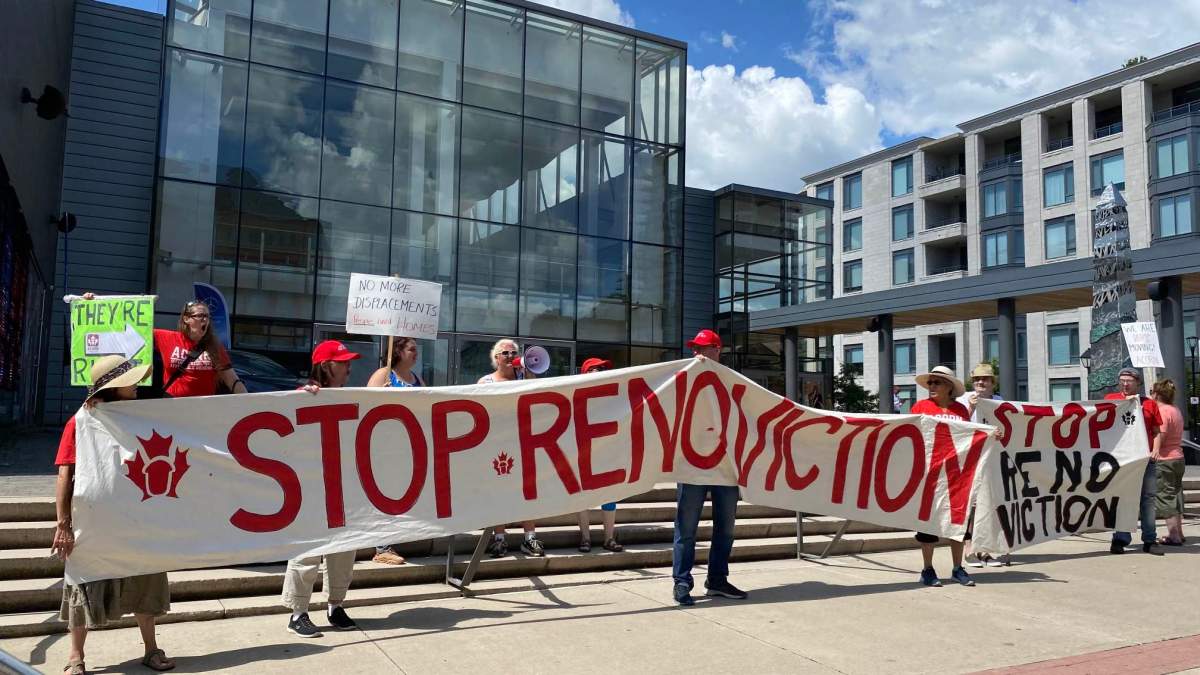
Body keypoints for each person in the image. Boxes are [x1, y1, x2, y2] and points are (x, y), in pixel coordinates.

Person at [53, 355, 175, 674]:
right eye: (131, 381)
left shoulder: (138, 418)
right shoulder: (80, 422)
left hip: (136, 520)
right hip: (94, 522)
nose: (137, 386)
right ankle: (75, 656)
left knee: (146, 579)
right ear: (114, 387)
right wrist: (63, 524)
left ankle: (150, 649)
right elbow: (65, 474)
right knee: (84, 582)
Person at [283, 340, 362, 638]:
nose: (349, 367)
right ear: (327, 365)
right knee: (308, 549)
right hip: (312, 486)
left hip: (344, 484)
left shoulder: (355, 397)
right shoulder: (303, 396)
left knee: (345, 548)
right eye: (343, 362)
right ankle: (298, 612)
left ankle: (335, 605)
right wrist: (301, 398)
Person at [672, 329, 746, 606]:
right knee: (686, 528)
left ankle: (717, 580)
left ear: (717, 351)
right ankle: (681, 582)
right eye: (695, 349)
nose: (697, 354)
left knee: (725, 528)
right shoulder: (683, 377)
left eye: (702, 349)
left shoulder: (732, 381)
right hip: (692, 465)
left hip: (725, 466)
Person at [79, 293, 247, 398]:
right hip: (170, 408)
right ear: (186, 319)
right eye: (200, 315)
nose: (205, 320)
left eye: (207, 316)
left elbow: (231, 379)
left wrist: (251, 403)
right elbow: (126, 329)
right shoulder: (165, 337)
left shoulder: (215, 348)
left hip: (201, 411)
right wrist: (95, 305)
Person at [911, 365, 976, 587]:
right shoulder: (920, 407)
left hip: (957, 476)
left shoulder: (961, 411)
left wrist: (990, 436)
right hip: (929, 475)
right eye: (930, 382)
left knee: (957, 523)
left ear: (949, 386)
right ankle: (927, 570)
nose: (931, 386)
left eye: (936, 382)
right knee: (928, 525)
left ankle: (958, 568)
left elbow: (970, 438)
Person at [479, 338, 544, 558]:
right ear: (496, 358)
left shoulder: (524, 377)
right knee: (498, 491)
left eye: (513, 352)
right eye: (505, 353)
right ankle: (499, 539)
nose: (510, 356)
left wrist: (528, 376)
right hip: (497, 444)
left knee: (527, 490)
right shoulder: (485, 382)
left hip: (522, 442)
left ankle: (530, 538)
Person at [365, 337, 425, 565]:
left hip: (406, 445)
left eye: (416, 350)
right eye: (411, 349)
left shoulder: (417, 379)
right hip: (384, 444)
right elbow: (366, 404)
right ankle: (381, 546)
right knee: (385, 493)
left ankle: (391, 539)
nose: (415, 353)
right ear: (398, 351)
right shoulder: (383, 374)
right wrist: (380, 395)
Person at [1105, 367, 1163, 555]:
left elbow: (1156, 431)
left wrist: (1155, 450)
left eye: (1129, 380)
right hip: (1122, 460)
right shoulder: (1110, 400)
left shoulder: (1149, 404)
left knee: (1147, 500)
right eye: (1122, 380)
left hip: (1145, 459)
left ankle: (1149, 539)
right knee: (1123, 499)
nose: (1125, 383)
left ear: (1138, 383)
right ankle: (1120, 539)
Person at [957, 363, 1005, 568]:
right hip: (971, 459)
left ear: (992, 382)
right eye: (977, 379)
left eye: (984, 379)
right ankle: (969, 548)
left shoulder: (1000, 402)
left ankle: (984, 548)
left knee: (989, 503)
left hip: (992, 460)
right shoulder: (963, 399)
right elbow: (957, 424)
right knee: (971, 505)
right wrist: (971, 408)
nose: (980, 382)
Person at [576, 357, 623, 553]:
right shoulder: (577, 395)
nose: (602, 370)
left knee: (609, 496)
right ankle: (585, 538)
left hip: (606, 451)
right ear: (586, 373)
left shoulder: (612, 397)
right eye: (597, 368)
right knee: (581, 496)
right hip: (583, 452)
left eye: (603, 368)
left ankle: (609, 538)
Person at [1151, 379, 1186, 546]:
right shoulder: (1175, 409)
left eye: (1151, 392)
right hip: (1178, 457)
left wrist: (1151, 447)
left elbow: (1161, 437)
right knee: (1176, 495)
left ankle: (1174, 536)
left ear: (1157, 394)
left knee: (1165, 496)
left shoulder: (1163, 411)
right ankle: (1179, 532)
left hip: (1165, 459)